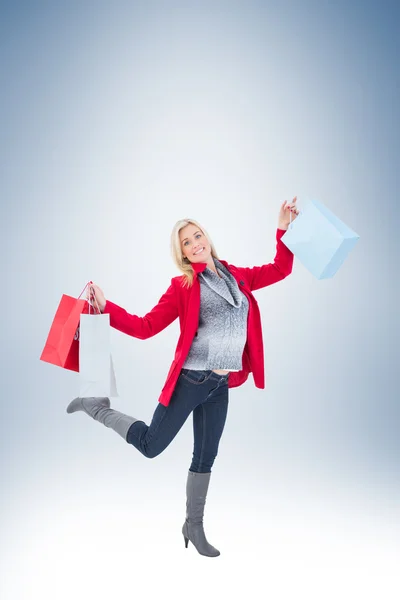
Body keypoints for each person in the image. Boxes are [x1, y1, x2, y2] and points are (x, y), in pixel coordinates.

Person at [66, 197, 299, 557]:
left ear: (207, 236)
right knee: (151, 447)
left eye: (197, 235)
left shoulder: (237, 275)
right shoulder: (184, 286)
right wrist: (107, 306)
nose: (195, 243)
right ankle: (96, 406)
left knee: (206, 457)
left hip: (220, 386)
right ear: (182, 253)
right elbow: (145, 327)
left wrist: (283, 227)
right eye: (186, 242)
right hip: (191, 382)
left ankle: (194, 525)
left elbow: (281, 269)